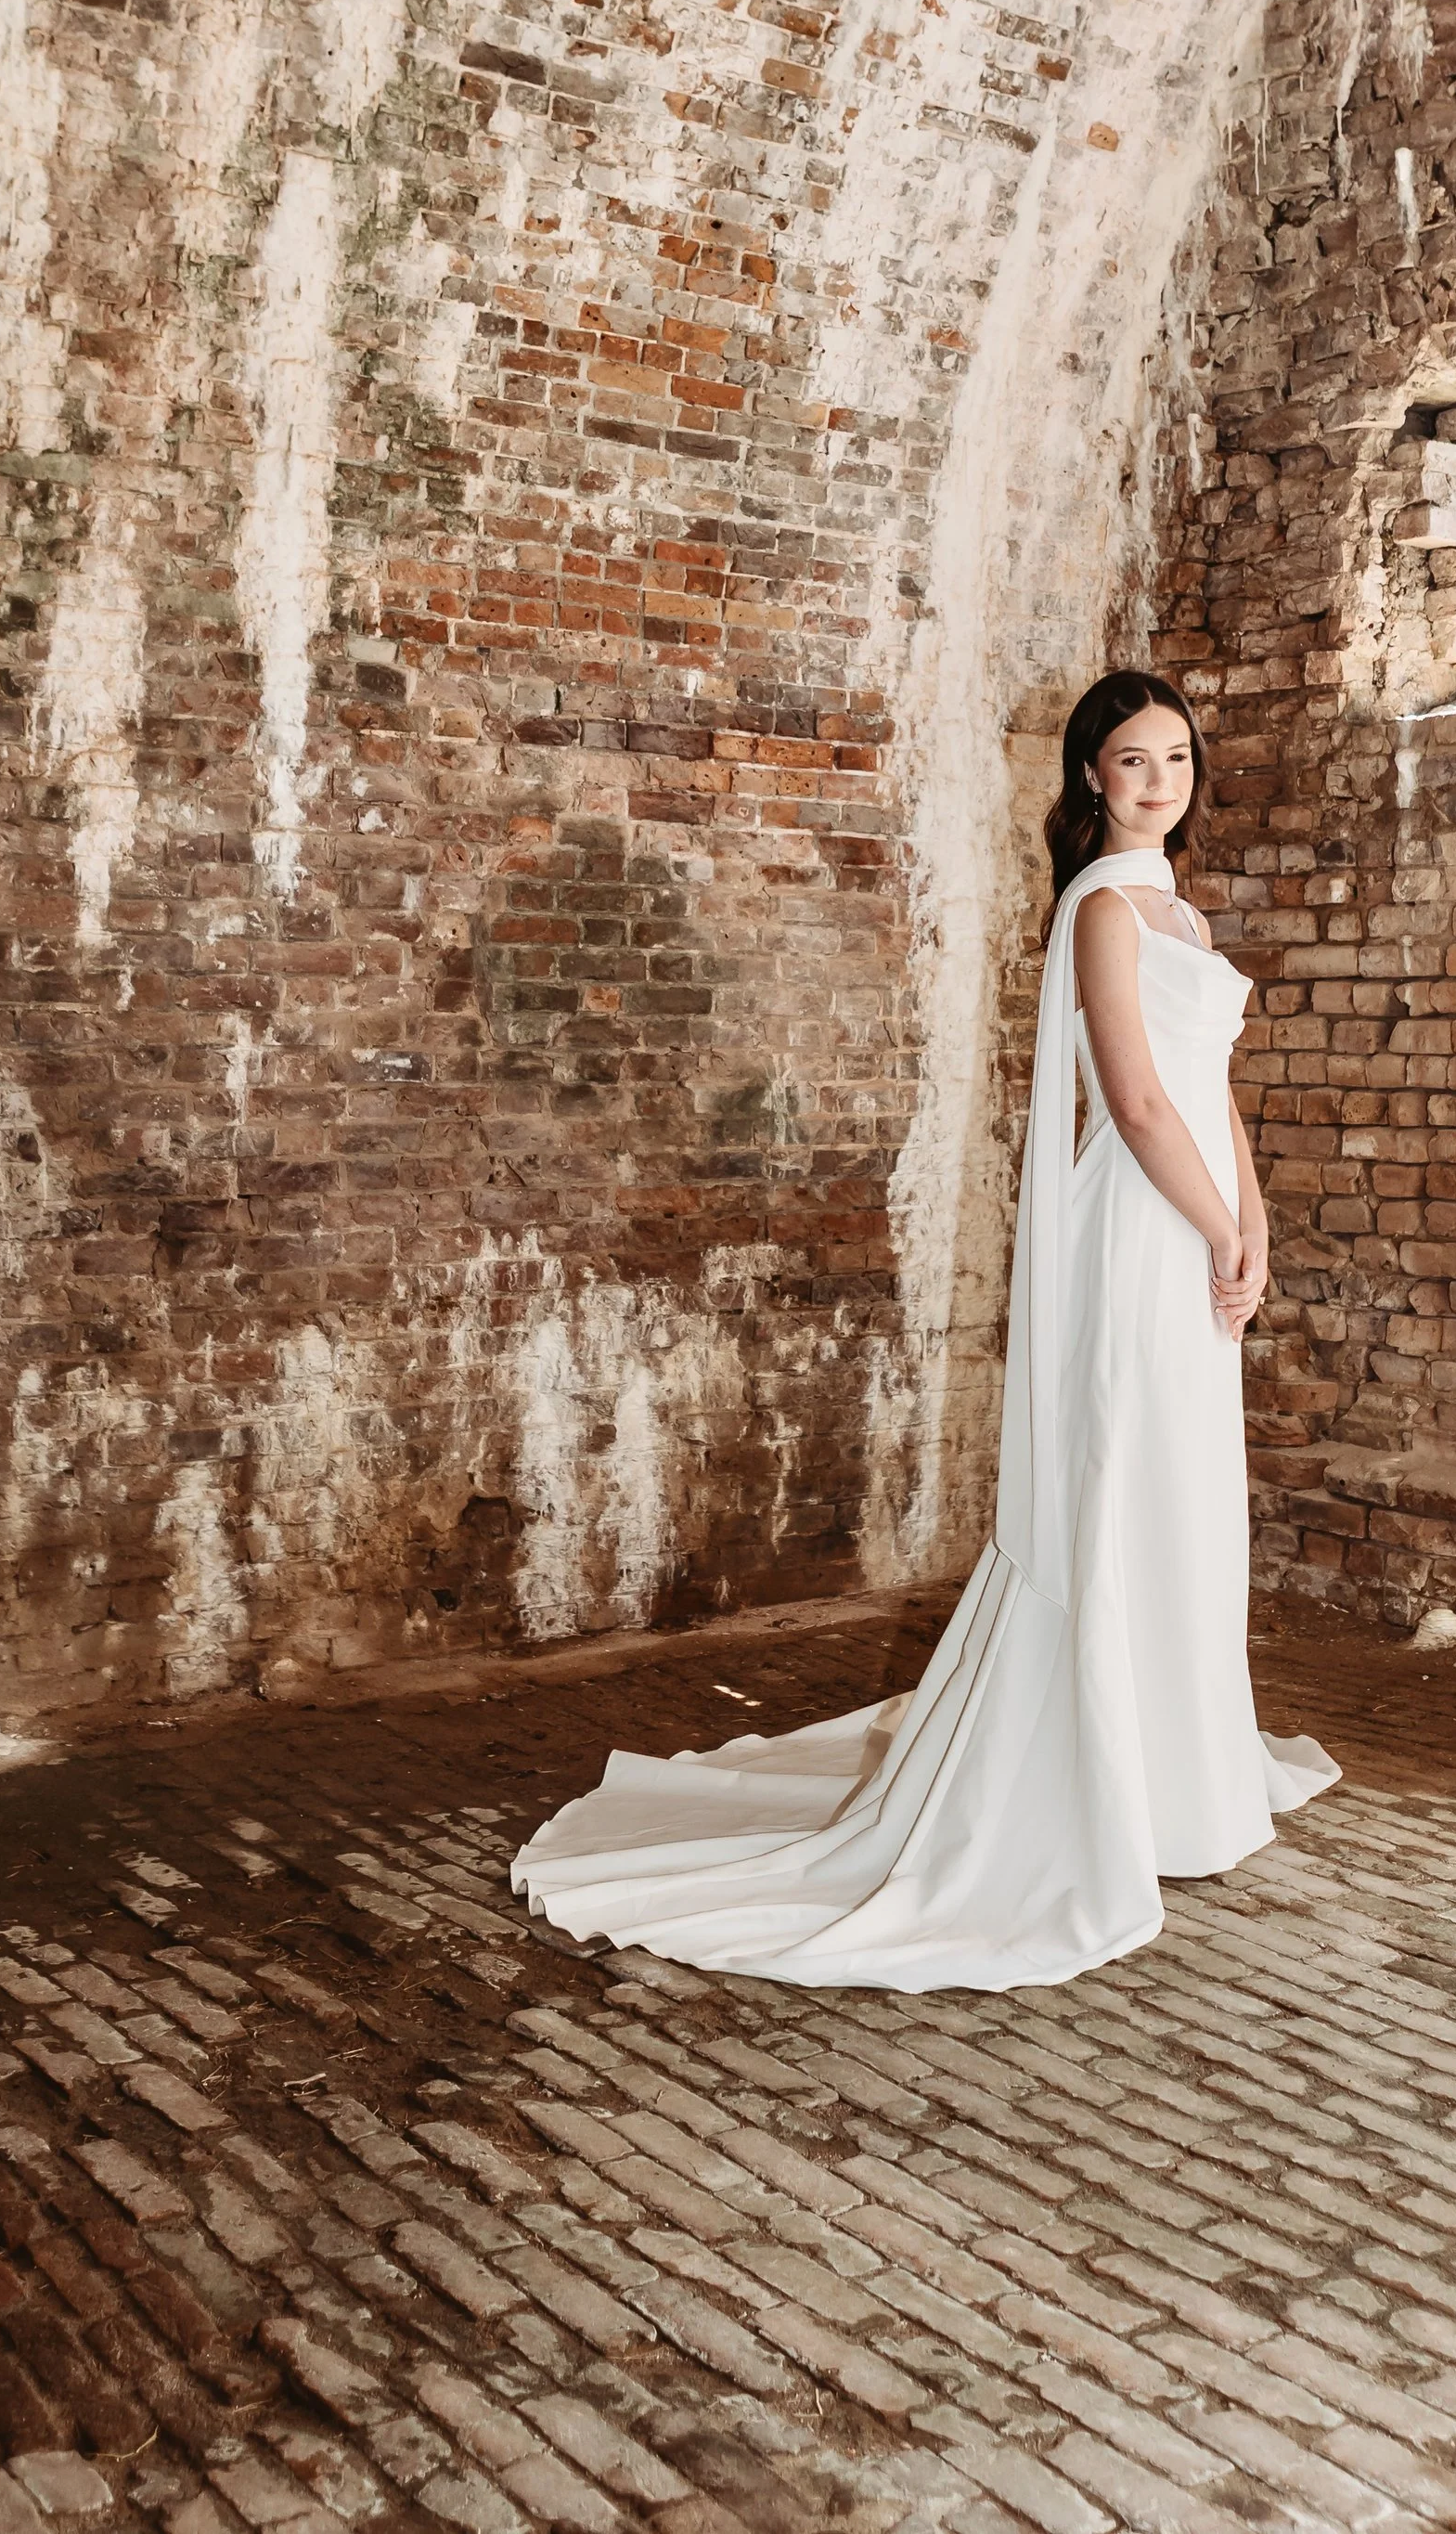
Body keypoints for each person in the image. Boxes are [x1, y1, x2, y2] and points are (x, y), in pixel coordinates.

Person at [509, 670, 1336, 1989]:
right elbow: (1131, 1099)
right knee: (1132, 1485)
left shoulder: (1182, 905)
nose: (1159, 779)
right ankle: (1107, 1775)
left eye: (1176, 757)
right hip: (1140, 1227)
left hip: (1198, 1220)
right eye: (1133, 760)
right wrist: (1207, 1225)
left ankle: (1186, 1769)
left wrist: (1257, 1225)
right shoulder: (1103, 908)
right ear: (1091, 779)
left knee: (1188, 1496)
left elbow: (1208, 1086)